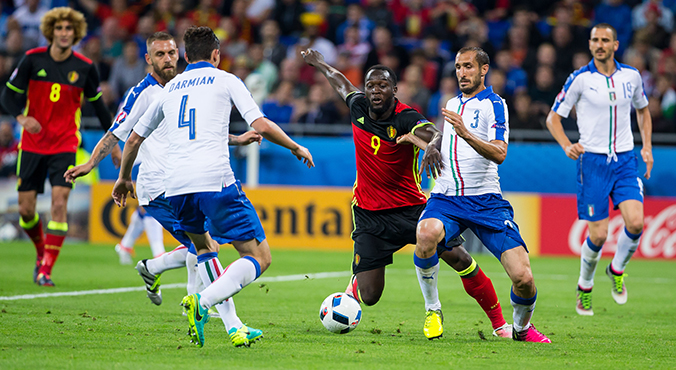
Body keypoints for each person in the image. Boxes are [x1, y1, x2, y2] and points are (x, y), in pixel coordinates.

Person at [110, 26, 314, 348]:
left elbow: (134, 138)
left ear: (186, 56)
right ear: (217, 55)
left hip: (174, 186)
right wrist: (294, 146)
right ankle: (201, 302)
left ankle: (231, 323)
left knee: (204, 247)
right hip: (214, 181)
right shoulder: (226, 79)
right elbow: (260, 124)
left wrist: (123, 178)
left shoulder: (170, 88)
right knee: (259, 256)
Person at [65, 31, 265, 348]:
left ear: (180, 54)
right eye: (160, 54)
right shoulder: (141, 93)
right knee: (208, 248)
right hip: (157, 187)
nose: (168, 59)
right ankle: (231, 324)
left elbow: (195, 131)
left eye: (171, 52)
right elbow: (118, 133)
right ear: (149, 59)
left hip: (179, 181)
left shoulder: (183, 87)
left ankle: (155, 269)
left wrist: (237, 139)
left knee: (201, 247)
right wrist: (91, 164)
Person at [301, 48, 513, 340]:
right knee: (371, 295)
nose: (375, 91)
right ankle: (355, 285)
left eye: (383, 85)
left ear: (394, 90)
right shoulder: (358, 107)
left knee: (461, 259)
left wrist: (435, 145)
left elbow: (432, 133)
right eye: (371, 86)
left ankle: (500, 324)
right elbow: (340, 82)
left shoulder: (406, 117)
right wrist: (320, 63)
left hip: (411, 210)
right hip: (369, 215)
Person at [405, 46, 551, 343]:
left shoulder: (494, 104)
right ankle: (433, 309)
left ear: (483, 70)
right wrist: (429, 144)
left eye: (468, 67)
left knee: (523, 279)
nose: (462, 73)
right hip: (446, 198)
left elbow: (500, 153)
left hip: (486, 202)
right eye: (458, 67)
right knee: (425, 233)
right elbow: (448, 146)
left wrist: (467, 133)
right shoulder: (450, 103)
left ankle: (521, 330)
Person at [0, 7, 120, 287]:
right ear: (50, 31)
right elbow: (7, 96)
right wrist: (21, 117)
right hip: (31, 144)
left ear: (75, 33)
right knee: (26, 210)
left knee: (58, 203)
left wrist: (114, 144)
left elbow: (101, 109)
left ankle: (46, 269)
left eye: (69, 29)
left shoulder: (85, 67)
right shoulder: (31, 60)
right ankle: (42, 250)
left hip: (65, 145)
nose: (64, 33)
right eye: (59, 29)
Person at [546, 23, 653, 317]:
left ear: (615, 45)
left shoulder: (631, 76)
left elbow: (643, 110)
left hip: (625, 160)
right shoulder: (579, 79)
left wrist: (647, 147)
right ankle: (585, 285)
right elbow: (553, 118)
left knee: (635, 223)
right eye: (595, 40)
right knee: (599, 235)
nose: (600, 44)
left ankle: (616, 269)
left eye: (605, 40)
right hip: (592, 162)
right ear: (590, 44)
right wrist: (567, 145)